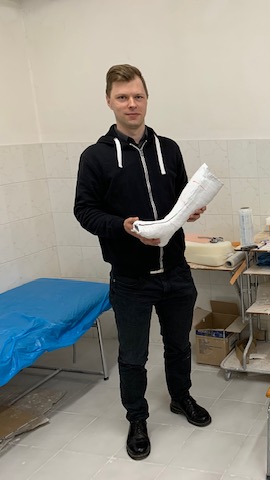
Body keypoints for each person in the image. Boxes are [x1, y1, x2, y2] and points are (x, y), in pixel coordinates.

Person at [74, 64, 211, 461]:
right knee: (133, 357)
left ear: (147, 99)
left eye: (138, 96)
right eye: (123, 97)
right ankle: (137, 418)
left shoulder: (169, 149)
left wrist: (190, 211)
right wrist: (122, 226)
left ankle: (181, 397)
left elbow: (181, 197)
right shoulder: (95, 157)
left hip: (176, 272)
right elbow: (84, 211)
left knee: (178, 346)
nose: (131, 104)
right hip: (131, 278)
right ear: (109, 101)